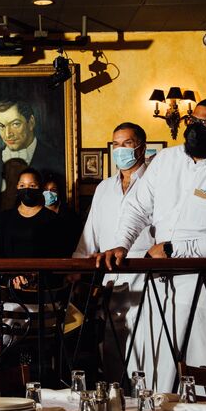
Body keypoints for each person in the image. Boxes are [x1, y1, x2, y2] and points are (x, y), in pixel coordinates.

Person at [97, 98, 206, 392]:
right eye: (193, 120)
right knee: (152, 360)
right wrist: (121, 243)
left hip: (200, 284)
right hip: (157, 282)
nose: (196, 128)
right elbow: (137, 208)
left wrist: (171, 249)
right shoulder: (166, 161)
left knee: (199, 363)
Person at [73, 123, 154, 379]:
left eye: (127, 143)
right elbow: (90, 235)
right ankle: (118, 398)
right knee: (113, 344)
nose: (120, 149)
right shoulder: (104, 188)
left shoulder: (154, 183)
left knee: (147, 342)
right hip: (111, 275)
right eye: (116, 144)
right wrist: (75, 268)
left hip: (146, 273)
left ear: (141, 147)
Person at [0, 100, 64, 210]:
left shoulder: (57, 159)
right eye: (1, 126)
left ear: (31, 122)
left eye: (15, 124)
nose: (7, 134)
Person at [0, 168, 66, 260]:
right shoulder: (4, 218)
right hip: (9, 272)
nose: (26, 189)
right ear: (17, 187)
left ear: (40, 188)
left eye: (32, 186)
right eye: (22, 185)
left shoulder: (52, 219)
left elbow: (57, 253)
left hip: (41, 271)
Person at [43, 173, 81, 254]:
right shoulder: (37, 213)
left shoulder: (70, 214)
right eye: (45, 189)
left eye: (53, 190)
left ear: (59, 192)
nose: (48, 193)